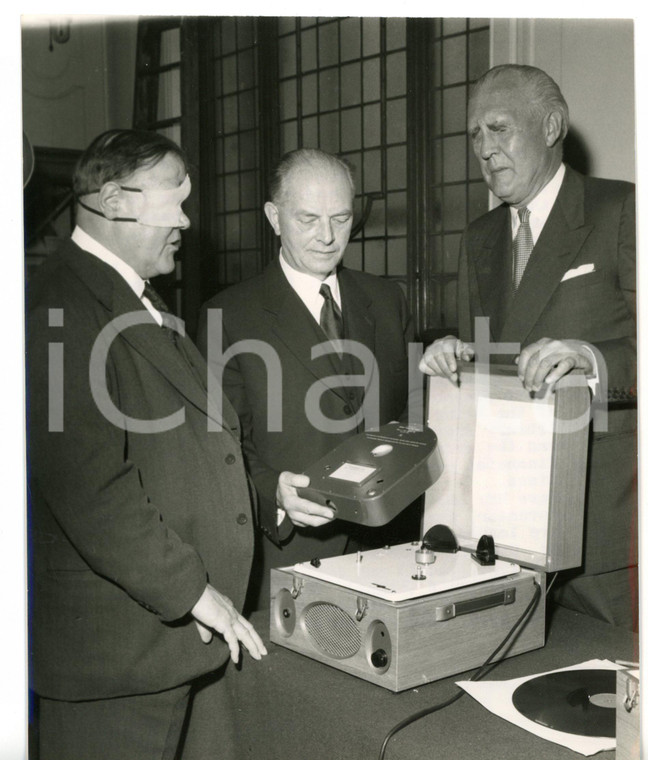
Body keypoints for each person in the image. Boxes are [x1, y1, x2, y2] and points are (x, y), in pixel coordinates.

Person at [26, 128, 268, 760]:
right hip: (116, 663)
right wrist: (192, 591)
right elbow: (91, 488)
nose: (186, 221)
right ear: (113, 200)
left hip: (170, 650)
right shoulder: (57, 305)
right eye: (175, 202)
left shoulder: (133, 299)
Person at [419, 64, 637, 629]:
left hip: (605, 532)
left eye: (498, 129)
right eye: (474, 136)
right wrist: (454, 361)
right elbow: (487, 361)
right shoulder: (479, 238)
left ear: (550, 126)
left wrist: (591, 358)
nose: (484, 149)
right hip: (506, 528)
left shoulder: (623, 212)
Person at [197, 148, 418, 610]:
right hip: (295, 555)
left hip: (392, 551)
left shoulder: (387, 299)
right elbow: (223, 447)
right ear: (274, 217)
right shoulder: (228, 316)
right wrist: (272, 489)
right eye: (308, 219)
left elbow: (408, 416)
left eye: (340, 218)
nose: (327, 236)